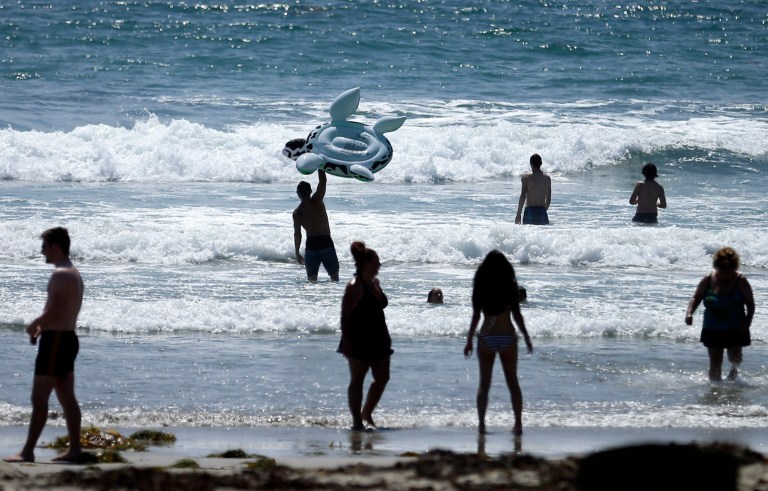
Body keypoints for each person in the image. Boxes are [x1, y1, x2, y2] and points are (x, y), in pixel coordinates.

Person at [4, 227, 84, 463]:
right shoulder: (73, 273)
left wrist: (34, 325)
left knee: (39, 399)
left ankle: (27, 451)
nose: (42, 252)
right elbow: (62, 312)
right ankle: (75, 449)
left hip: (56, 342)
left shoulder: (61, 274)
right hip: (66, 338)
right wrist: (41, 330)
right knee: (67, 396)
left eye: (44, 247)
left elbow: (55, 310)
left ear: (56, 247)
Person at [464, 250, 533, 435]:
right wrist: (526, 336)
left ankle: (481, 425)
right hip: (507, 337)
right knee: (513, 383)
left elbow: (476, 316)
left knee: (484, 385)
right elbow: (517, 315)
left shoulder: (481, 285)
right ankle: (518, 424)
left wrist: (469, 340)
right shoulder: (510, 285)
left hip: (486, 337)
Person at [339, 241, 392, 430]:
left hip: (379, 337)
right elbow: (345, 315)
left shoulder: (375, 283)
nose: (379, 265)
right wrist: (346, 342)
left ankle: (366, 412)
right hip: (358, 338)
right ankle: (356, 421)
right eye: (376, 261)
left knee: (383, 377)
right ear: (366, 263)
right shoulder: (355, 286)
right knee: (357, 379)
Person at [685, 247, 755, 381]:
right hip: (712, 326)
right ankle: (715, 391)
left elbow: (750, 304)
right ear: (717, 265)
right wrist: (689, 313)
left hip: (736, 326)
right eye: (722, 266)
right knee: (715, 362)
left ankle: (733, 373)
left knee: (734, 357)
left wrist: (748, 321)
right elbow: (696, 298)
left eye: (729, 267)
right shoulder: (708, 279)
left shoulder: (741, 280)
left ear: (734, 266)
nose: (725, 270)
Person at [293, 170, 340, 282]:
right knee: (335, 279)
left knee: (312, 281)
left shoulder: (297, 213)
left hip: (311, 245)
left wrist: (297, 252)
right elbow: (323, 181)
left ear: (298, 194)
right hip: (326, 242)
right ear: (310, 191)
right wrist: (321, 166)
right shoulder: (317, 200)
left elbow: (297, 234)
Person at [515, 154, 552, 225]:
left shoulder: (526, 178)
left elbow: (523, 196)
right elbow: (549, 198)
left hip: (530, 211)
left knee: (529, 234)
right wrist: (544, 210)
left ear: (530, 164)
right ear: (541, 163)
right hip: (542, 210)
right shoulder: (547, 178)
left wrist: (518, 214)